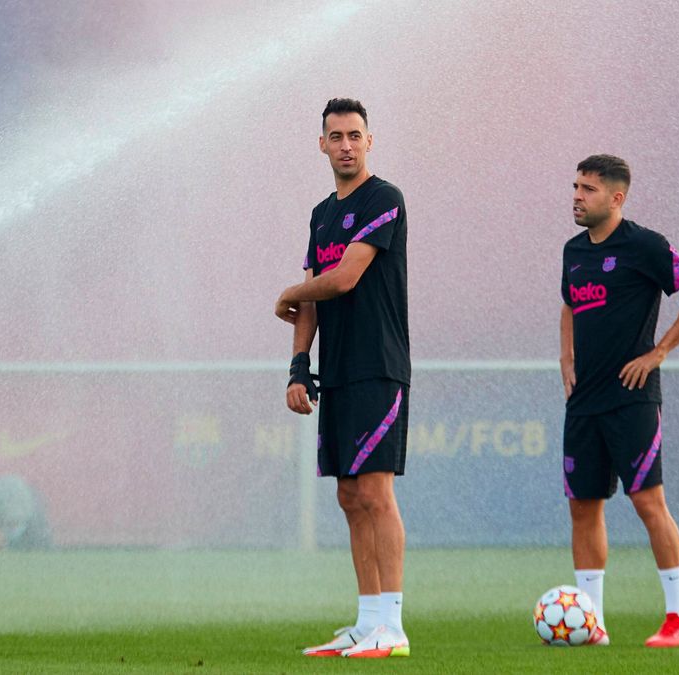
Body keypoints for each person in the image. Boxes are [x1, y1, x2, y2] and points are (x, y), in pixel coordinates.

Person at [559, 154, 679, 648]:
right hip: (584, 402)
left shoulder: (644, 245)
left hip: (631, 399)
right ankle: (591, 624)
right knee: (583, 507)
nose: (578, 196)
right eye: (576, 186)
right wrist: (565, 357)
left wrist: (659, 352)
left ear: (616, 197)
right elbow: (569, 301)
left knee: (649, 502)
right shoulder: (573, 250)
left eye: (588, 189)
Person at [275, 98, 411, 659]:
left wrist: (287, 292)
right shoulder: (321, 213)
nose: (347, 144)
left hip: (378, 366)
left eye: (356, 135)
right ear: (322, 145)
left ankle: (394, 628)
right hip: (336, 372)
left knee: (377, 493)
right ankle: (367, 620)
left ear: (370, 141)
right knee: (349, 495)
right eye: (336, 136)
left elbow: (344, 278)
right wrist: (298, 367)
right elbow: (313, 295)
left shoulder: (385, 199)